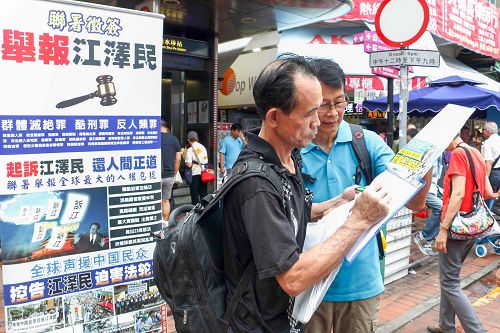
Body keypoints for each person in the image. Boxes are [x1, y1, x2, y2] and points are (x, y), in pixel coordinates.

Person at [223, 55, 393, 333]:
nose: (321, 121)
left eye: (332, 105)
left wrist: (339, 202)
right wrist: (358, 221)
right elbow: (293, 278)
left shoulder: (287, 160)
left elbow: (292, 211)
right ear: (275, 117)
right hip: (261, 324)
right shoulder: (256, 184)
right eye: (310, 113)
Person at [300, 58, 431, 333]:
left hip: (361, 281)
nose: (333, 112)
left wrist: (425, 162)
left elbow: (415, 202)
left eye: (339, 101)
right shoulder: (294, 148)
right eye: (324, 104)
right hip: (309, 282)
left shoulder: (366, 142)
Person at [430, 134, 500, 333]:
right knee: (449, 277)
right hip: (472, 225)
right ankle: (446, 325)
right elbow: (487, 191)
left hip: (455, 227)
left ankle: (476, 330)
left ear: (451, 136)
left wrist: (443, 229)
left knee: (450, 282)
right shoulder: (475, 152)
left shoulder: (458, 155)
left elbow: (458, 194)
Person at [414, 155, 444, 256]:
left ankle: (433, 235)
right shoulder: (429, 151)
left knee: (451, 204)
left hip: (434, 187)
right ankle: (424, 237)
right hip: (425, 189)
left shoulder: (440, 152)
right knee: (442, 208)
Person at [160, 119, 182, 221]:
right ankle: (165, 223)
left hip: (154, 176)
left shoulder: (153, 138)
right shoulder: (174, 139)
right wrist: (174, 173)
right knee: (165, 201)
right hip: (169, 176)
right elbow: (178, 159)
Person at [184, 131, 209, 205]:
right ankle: (205, 210)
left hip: (195, 173)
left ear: (188, 139)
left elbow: (188, 165)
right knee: (203, 193)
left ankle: (195, 211)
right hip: (204, 173)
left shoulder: (190, 150)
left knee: (194, 194)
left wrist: (184, 158)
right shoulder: (203, 147)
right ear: (197, 139)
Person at [481, 121, 500, 210]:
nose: (482, 132)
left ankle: (488, 220)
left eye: (483, 129)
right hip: (497, 172)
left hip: (493, 174)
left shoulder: (488, 143)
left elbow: (488, 162)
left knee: (488, 198)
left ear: (488, 131)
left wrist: (485, 179)